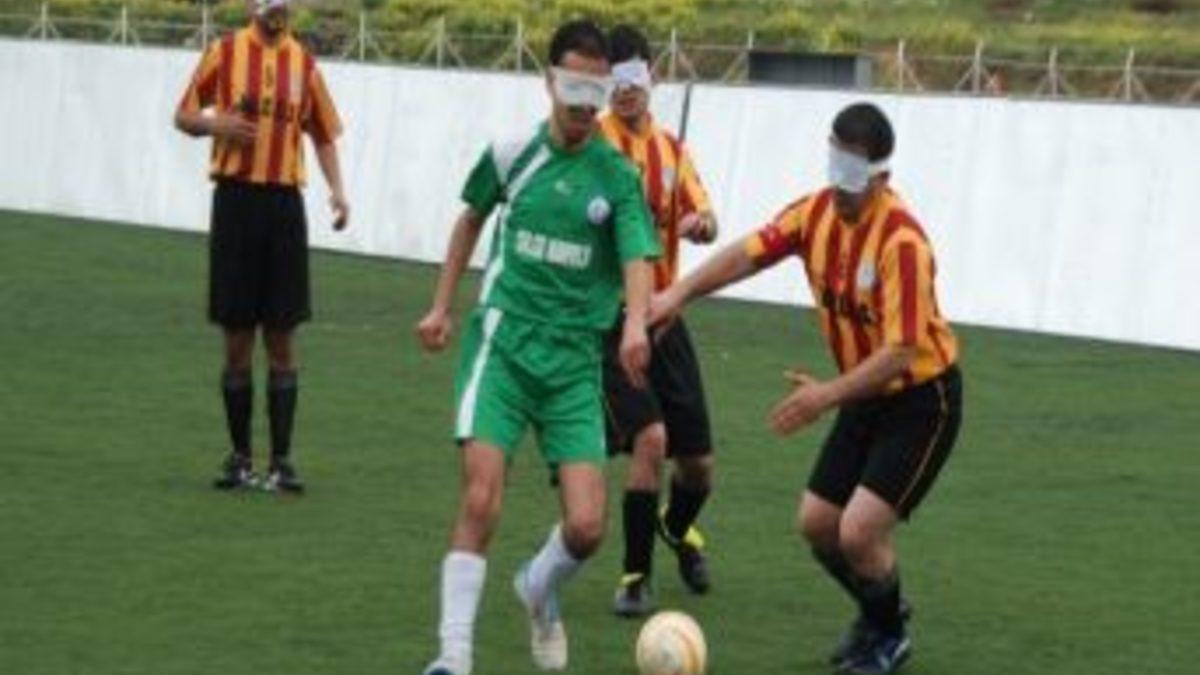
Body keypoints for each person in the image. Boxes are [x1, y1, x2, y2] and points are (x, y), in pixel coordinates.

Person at [649, 102, 963, 675]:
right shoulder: (814, 213)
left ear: (883, 177)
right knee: (818, 525)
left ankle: (889, 636)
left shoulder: (902, 244)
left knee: (859, 531)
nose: (840, 186)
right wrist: (678, 293)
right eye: (835, 166)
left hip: (922, 401)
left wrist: (825, 396)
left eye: (854, 174)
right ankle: (880, 608)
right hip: (862, 394)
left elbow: (901, 352)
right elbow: (748, 254)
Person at [414, 19, 660, 675]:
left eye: (596, 91)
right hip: (502, 346)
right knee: (481, 497)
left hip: (574, 363)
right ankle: (452, 656)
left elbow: (637, 253)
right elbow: (471, 218)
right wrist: (441, 305)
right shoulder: (511, 153)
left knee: (587, 526)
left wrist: (636, 324)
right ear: (549, 81)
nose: (584, 104)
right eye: (574, 87)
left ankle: (538, 588)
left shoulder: (617, 174)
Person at [174, 0, 349, 493]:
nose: (278, 14)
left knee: (281, 335)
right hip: (235, 202)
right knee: (236, 338)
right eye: (271, 6)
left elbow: (323, 134)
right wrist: (215, 124)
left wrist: (338, 190)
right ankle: (239, 458)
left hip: (283, 206)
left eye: (284, 7)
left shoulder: (304, 64)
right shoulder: (224, 52)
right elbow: (183, 115)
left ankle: (282, 462)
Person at [598, 24, 720, 616]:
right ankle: (634, 577)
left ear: (653, 77)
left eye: (634, 78)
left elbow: (708, 216)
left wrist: (702, 225)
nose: (625, 90)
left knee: (698, 466)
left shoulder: (673, 150)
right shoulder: (594, 145)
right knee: (651, 440)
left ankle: (675, 526)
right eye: (614, 81)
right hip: (611, 319)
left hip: (666, 316)